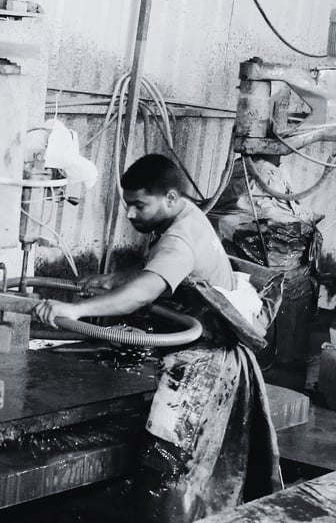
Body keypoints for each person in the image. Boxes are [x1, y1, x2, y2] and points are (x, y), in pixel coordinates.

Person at [34, 153, 282, 522]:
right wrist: (116, 278)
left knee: (166, 463)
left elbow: (145, 293)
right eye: (128, 205)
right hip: (198, 348)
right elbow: (159, 270)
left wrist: (75, 311)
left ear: (170, 198)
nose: (131, 215)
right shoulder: (186, 216)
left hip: (202, 363)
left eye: (139, 206)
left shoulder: (180, 237)